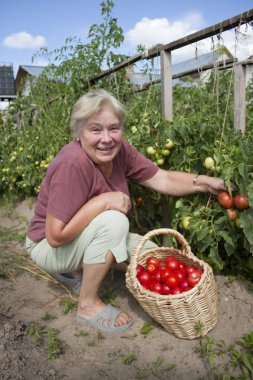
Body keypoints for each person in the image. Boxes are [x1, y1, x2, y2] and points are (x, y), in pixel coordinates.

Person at [26, 88, 226, 333]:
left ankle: (77, 271)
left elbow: (162, 179)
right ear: (78, 133)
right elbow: (55, 236)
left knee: (154, 256)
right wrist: (103, 202)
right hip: (45, 246)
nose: (107, 138)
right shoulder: (72, 163)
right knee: (114, 221)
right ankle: (87, 304)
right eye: (95, 129)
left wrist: (205, 182)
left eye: (114, 128)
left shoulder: (120, 152)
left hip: (80, 236)